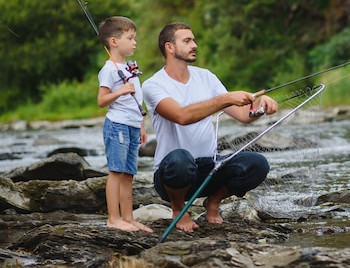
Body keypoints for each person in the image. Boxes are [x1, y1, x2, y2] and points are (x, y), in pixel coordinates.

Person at [142, 22, 278, 232]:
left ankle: (213, 202)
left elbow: (242, 115)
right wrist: (224, 99)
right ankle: (179, 208)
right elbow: (182, 116)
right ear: (169, 47)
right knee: (181, 159)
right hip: (171, 173)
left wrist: (261, 107)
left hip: (208, 169)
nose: (194, 45)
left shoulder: (206, 76)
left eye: (194, 40)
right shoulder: (153, 85)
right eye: (187, 41)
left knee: (257, 163)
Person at [97, 16, 153, 233]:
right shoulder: (109, 70)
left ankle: (128, 217)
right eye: (130, 38)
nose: (134, 42)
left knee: (129, 173)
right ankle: (113, 218)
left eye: (134, 38)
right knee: (116, 172)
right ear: (113, 41)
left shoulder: (129, 67)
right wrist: (120, 90)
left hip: (131, 125)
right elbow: (102, 101)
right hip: (117, 125)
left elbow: (135, 100)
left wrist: (141, 124)